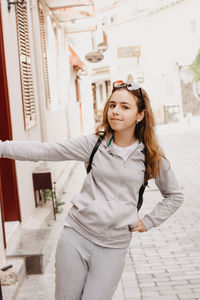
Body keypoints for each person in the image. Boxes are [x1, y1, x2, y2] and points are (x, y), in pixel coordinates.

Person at [0, 80, 184, 300]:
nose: (116, 111)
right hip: (76, 237)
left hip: (114, 247)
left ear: (140, 115)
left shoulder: (150, 155)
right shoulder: (94, 144)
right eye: (112, 105)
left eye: (125, 107)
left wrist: (149, 221)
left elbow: (174, 195)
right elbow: (44, 150)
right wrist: (2, 148)